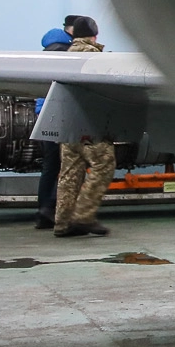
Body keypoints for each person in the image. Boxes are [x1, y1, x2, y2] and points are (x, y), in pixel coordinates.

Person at [54, 15, 117, 239]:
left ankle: (62, 223)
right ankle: (83, 216)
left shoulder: (66, 55)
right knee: (104, 163)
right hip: (90, 126)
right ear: (95, 35)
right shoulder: (94, 56)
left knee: (69, 174)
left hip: (68, 125)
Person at [34, 23, 73, 230]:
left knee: (49, 166)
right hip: (59, 114)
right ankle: (55, 209)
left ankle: (43, 210)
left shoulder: (44, 57)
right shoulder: (64, 56)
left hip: (43, 114)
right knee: (67, 165)